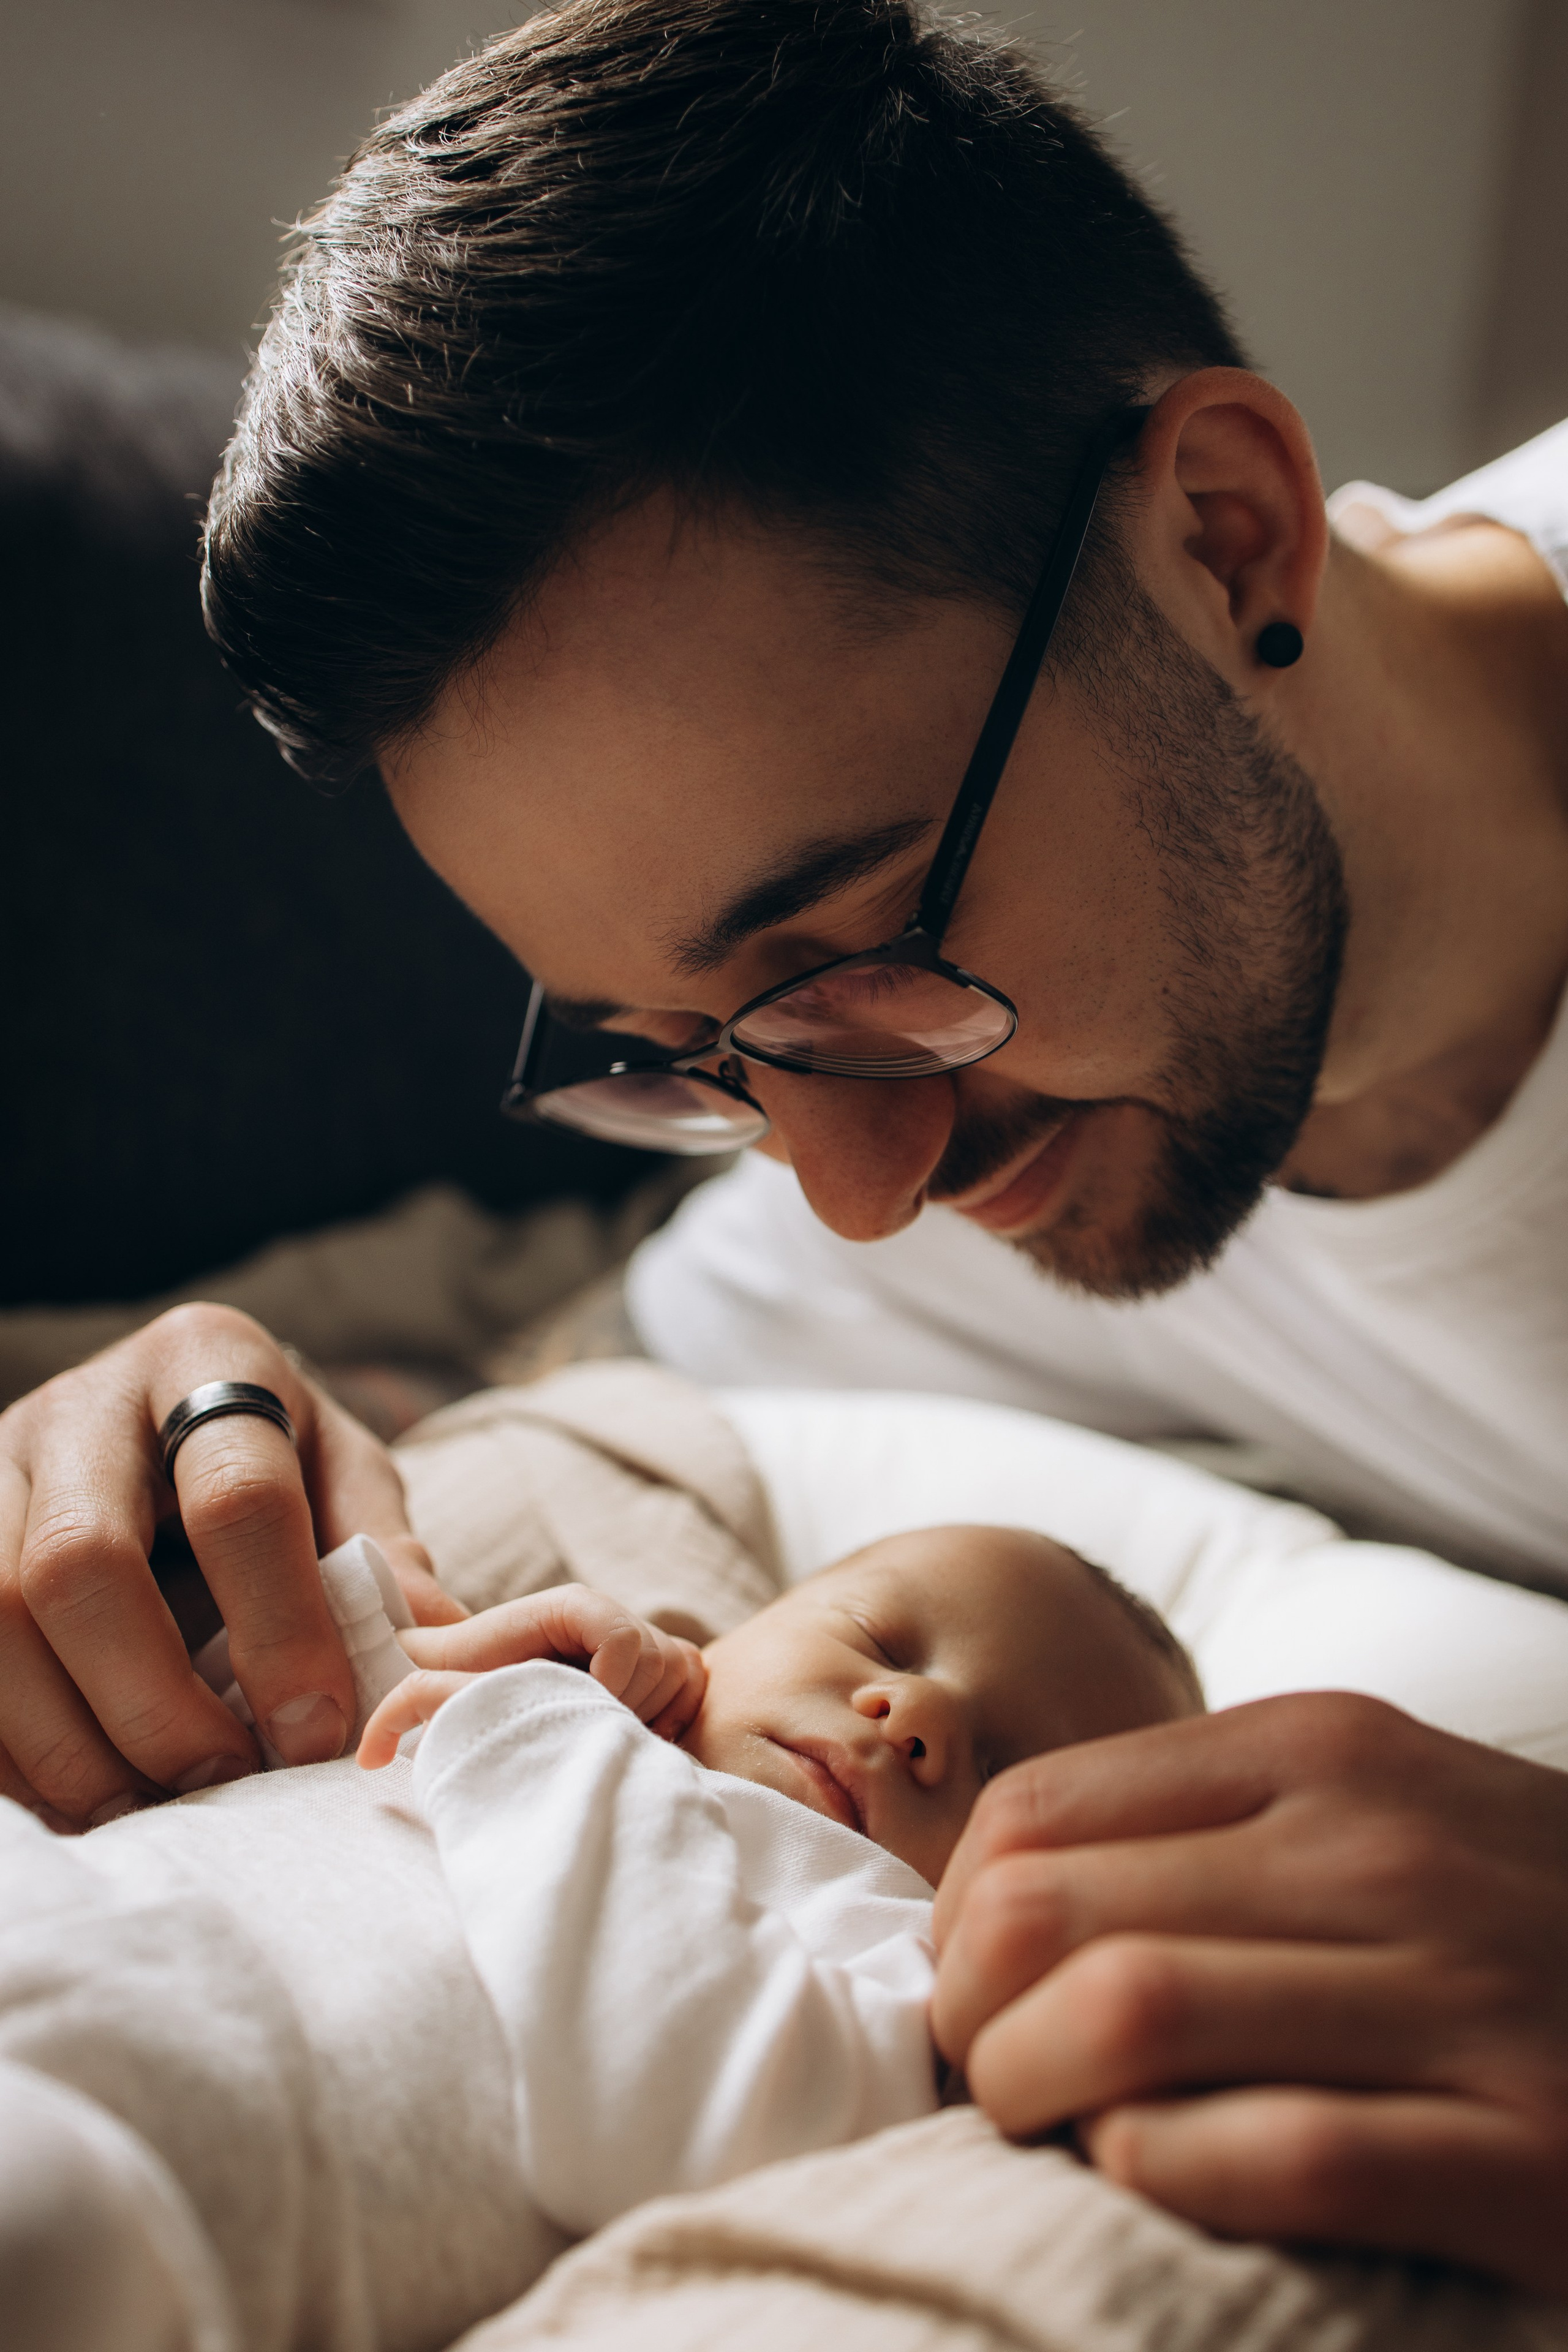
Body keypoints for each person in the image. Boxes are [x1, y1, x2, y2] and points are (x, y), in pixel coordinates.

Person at [2, 0, 1566, 2291]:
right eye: (690, 1048)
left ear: (1230, 531)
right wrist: (202, 1420)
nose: (852, 1179)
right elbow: (533, 1408)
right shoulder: (881, 1193)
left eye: (860, 952)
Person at [1, 1523, 1196, 2352]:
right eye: (881, 1642)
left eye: (1006, 1771)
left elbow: (666, 2105)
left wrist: (545, 1731)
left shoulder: (883, 1952)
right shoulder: (573, 1701)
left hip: (160, 2162)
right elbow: (215, 1730)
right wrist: (427, 1644)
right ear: (736, 1627)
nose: (916, 1713)